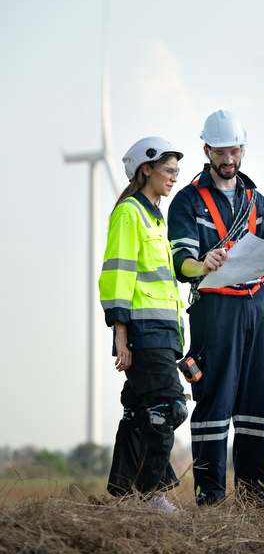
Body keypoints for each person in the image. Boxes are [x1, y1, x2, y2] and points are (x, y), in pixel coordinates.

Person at [167, 110, 264, 506]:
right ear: (206, 150)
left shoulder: (258, 202)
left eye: (235, 151)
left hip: (257, 311)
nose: (228, 159)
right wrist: (203, 264)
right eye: (220, 151)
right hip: (215, 312)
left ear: (242, 151)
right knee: (214, 408)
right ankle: (210, 502)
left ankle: (255, 502)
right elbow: (180, 264)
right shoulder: (187, 201)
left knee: (259, 407)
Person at [99, 136, 188, 514]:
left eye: (177, 172)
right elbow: (118, 274)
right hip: (143, 329)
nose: (174, 178)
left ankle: (124, 493)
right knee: (168, 407)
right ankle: (151, 496)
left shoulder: (156, 216)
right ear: (146, 169)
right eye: (168, 170)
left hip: (165, 331)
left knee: (140, 411)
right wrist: (121, 332)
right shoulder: (129, 213)